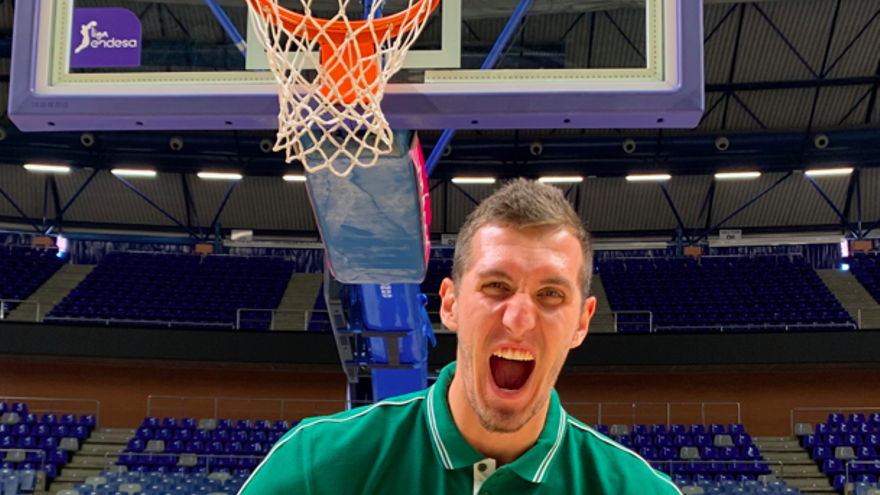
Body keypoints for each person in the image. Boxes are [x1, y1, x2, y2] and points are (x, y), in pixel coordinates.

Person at [239, 179, 682, 494]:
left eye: (551, 294)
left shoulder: (637, 488)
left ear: (582, 322)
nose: (519, 318)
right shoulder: (317, 465)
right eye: (496, 286)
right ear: (449, 304)